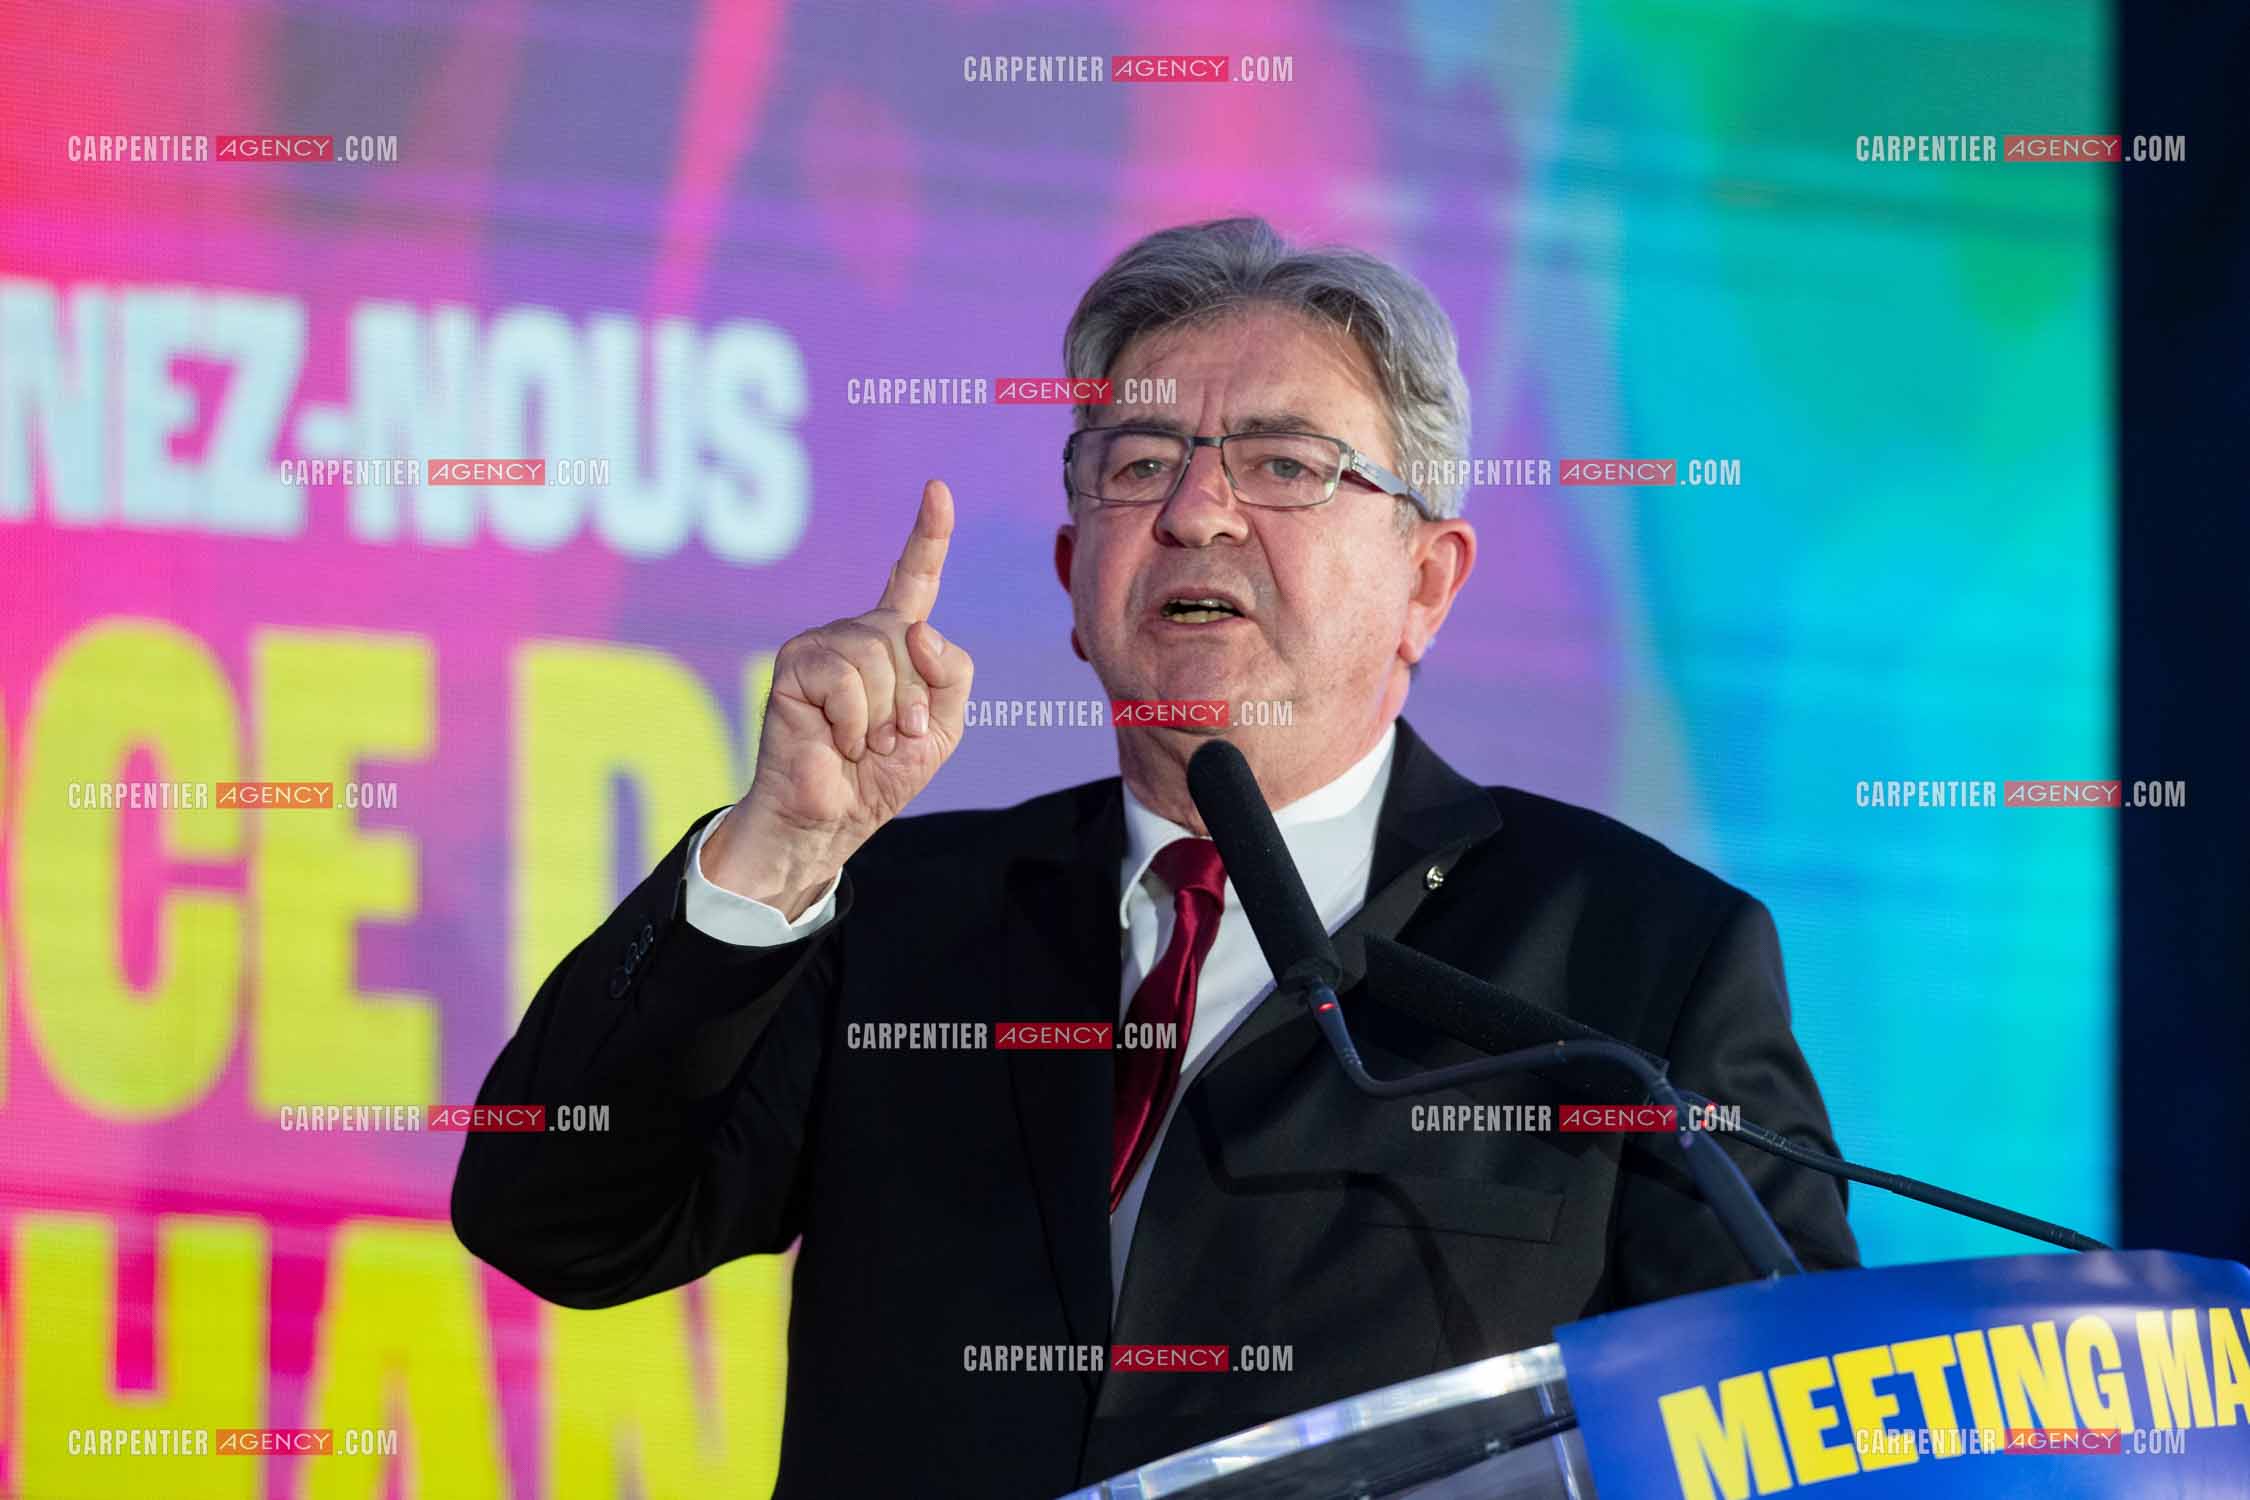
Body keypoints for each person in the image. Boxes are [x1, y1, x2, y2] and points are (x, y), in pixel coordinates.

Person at [451, 216, 1857, 1498]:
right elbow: (555, 1218)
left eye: (1284, 465)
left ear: (1426, 583)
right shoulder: (897, 914)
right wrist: (777, 851)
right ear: (1075, 578)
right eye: (1139, 464)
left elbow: (1790, 1431)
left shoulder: (1638, 958)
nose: (1195, 511)